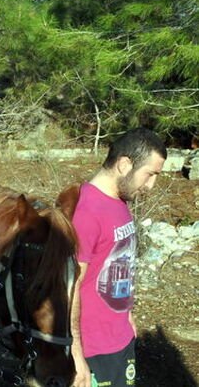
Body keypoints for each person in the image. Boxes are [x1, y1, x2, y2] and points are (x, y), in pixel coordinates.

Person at [70, 128, 167, 387]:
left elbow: (117, 264)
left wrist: (127, 316)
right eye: (150, 175)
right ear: (125, 164)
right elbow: (69, 287)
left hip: (120, 338)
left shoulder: (118, 202)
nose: (150, 186)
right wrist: (76, 354)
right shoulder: (85, 212)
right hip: (94, 350)